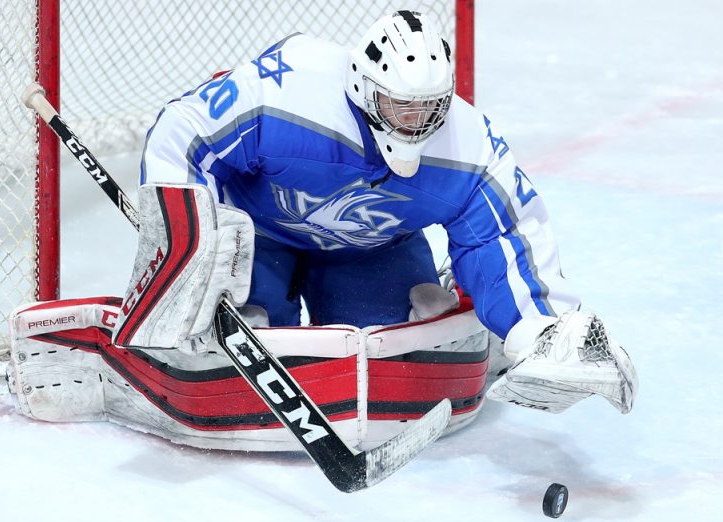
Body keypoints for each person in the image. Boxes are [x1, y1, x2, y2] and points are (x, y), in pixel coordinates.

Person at [132, 10, 637, 415]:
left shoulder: (468, 144)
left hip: (372, 250)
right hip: (260, 238)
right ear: (363, 87)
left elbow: (501, 233)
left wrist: (542, 330)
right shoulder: (287, 93)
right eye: (402, 108)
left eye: (431, 109)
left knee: (395, 351)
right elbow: (183, 136)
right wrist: (192, 254)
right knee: (248, 335)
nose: (418, 124)